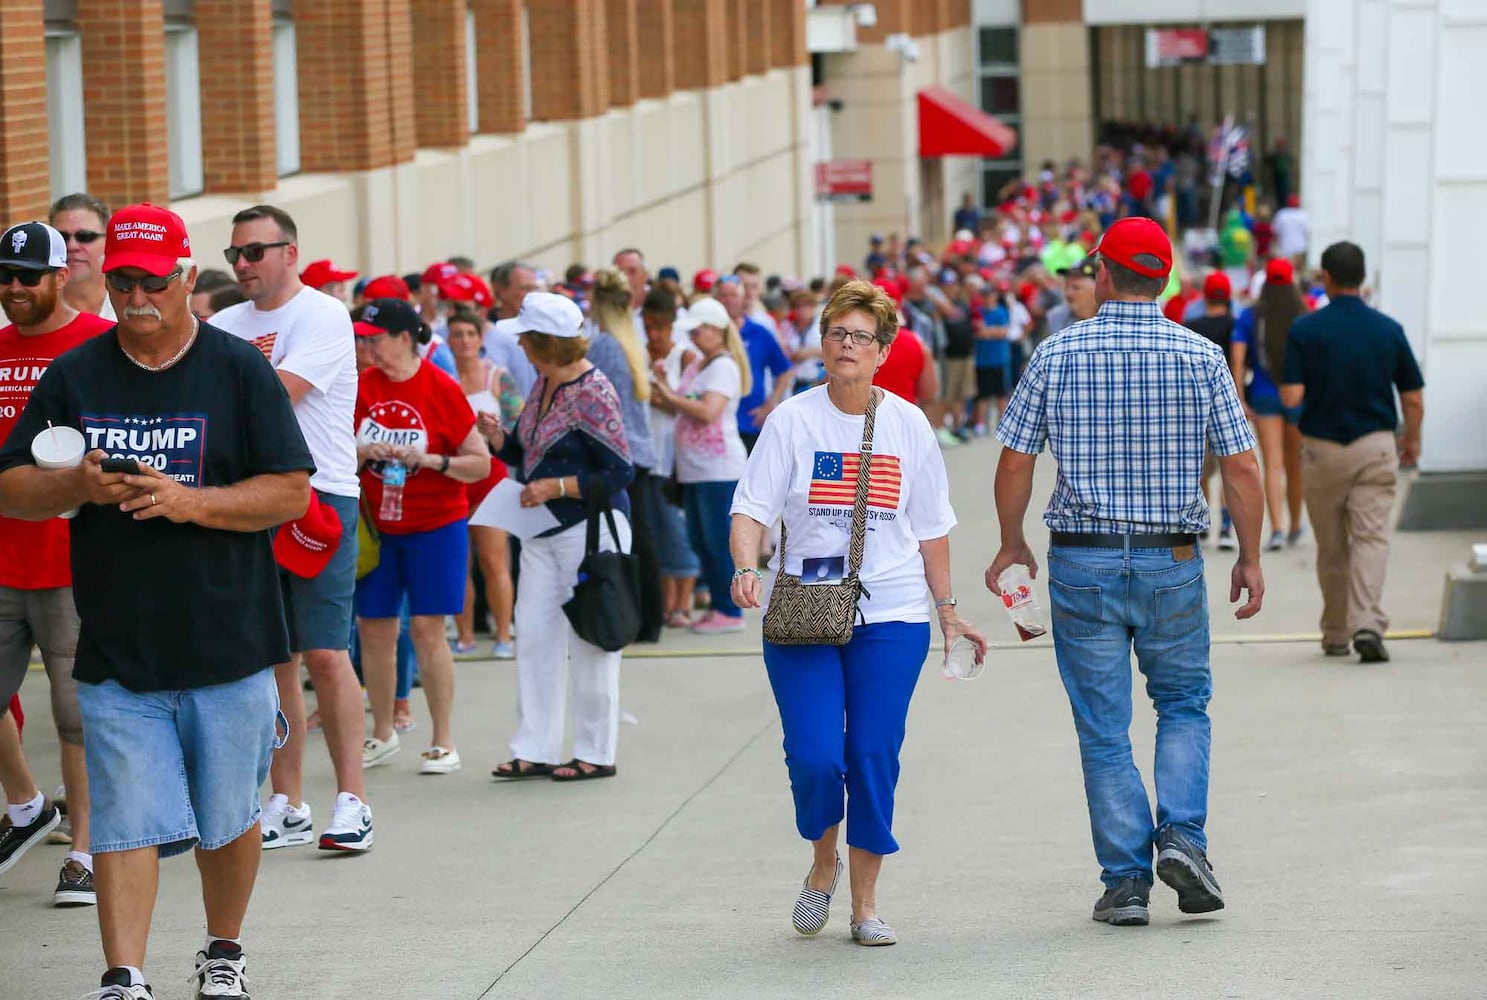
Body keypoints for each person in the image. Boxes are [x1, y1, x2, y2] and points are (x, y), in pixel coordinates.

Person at [0, 202, 315, 1000]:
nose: (136, 296)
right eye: (121, 280)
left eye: (151, 280)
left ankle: (223, 951)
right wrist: (75, 482)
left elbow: (287, 492)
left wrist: (190, 502)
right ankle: (124, 975)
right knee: (125, 818)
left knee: (229, 818)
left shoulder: (238, 369)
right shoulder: (76, 374)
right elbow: (12, 487)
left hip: (229, 637)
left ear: (181, 277)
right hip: (117, 643)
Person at [986, 217, 1265, 928]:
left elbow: (1015, 460)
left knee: (1102, 726)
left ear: (1104, 274)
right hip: (1171, 558)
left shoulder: (1056, 353)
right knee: (1181, 704)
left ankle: (1125, 883)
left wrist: (1010, 542)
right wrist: (1250, 555)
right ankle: (1183, 837)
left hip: (1081, 559)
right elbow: (1239, 467)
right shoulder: (1200, 356)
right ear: (1166, 278)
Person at [729, 279, 985, 948]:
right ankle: (822, 861)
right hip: (804, 608)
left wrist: (948, 611)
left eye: (860, 337)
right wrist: (746, 564)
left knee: (871, 752)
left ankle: (864, 904)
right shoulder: (792, 419)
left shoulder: (906, 424)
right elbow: (751, 506)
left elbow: (931, 527)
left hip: (891, 611)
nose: (846, 345)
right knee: (814, 755)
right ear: (821, 343)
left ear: (883, 350)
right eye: (836, 333)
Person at [212, 205, 374, 855]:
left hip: (319, 496)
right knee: (273, 656)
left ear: (289, 253)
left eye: (254, 252)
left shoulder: (322, 315)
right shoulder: (223, 323)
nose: (243, 265)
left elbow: (280, 392)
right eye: (234, 256)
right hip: (252, 501)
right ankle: (287, 800)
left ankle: (353, 800)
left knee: (326, 652)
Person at [0, 222, 113, 906]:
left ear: (62, 275)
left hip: (73, 562)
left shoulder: (97, 348)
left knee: (76, 716)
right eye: (5, 276)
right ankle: (27, 803)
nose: (13, 288)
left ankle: (86, 851)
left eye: (27, 276)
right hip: (2, 557)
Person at [484, 293, 634, 782]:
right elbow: (530, 449)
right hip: (541, 529)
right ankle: (536, 746)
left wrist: (557, 486)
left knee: (592, 639)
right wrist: (500, 440)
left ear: (546, 342)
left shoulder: (593, 390)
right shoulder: (545, 382)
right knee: (534, 635)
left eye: (527, 339)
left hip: (587, 531)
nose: (522, 347)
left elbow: (619, 471)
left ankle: (596, 750)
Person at [355, 298, 491, 775]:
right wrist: (362, 453)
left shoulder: (440, 385)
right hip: (377, 528)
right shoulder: (362, 387)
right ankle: (383, 731)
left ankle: (442, 739)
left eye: (375, 337)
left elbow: (480, 463)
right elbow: (331, 456)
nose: (367, 346)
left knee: (429, 629)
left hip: (436, 525)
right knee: (373, 628)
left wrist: (431, 460)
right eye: (364, 337)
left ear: (404, 337)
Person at [1280, 241, 1424, 664]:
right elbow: (1413, 399)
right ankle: (1367, 624)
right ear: (1363, 278)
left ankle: (1336, 631)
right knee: (1371, 538)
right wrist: (1411, 439)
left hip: (1323, 450)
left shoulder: (1305, 330)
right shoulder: (1388, 329)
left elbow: (1291, 394)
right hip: (1376, 446)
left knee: (1332, 547)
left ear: (1325, 277)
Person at [650, 297, 751, 635]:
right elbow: (682, 401)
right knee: (699, 539)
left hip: (718, 470)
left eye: (697, 331)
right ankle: (719, 605)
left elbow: (707, 411)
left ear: (714, 329)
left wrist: (669, 394)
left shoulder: (723, 366)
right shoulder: (701, 364)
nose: (693, 337)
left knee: (718, 539)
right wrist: (664, 386)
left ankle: (730, 610)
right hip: (695, 469)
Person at [585, 269, 663, 643]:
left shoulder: (604, 345)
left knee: (624, 538)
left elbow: (599, 404)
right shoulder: (631, 339)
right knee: (641, 537)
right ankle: (651, 617)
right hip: (641, 448)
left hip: (620, 451)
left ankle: (638, 616)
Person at [447, 308, 522, 659]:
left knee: (494, 560)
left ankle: (504, 634)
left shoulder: (497, 375)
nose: (463, 341)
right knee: (457, 561)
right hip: (454, 475)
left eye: (469, 334)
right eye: (456, 334)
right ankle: (464, 636)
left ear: (480, 339)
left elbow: (518, 426)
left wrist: (491, 431)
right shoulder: (443, 376)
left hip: (490, 475)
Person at [1231, 258, 1307, 552]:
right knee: (1295, 464)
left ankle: (1276, 528)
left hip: (1263, 394)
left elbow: (1238, 358)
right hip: (1298, 395)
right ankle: (1295, 524)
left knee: (1272, 464)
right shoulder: (1303, 316)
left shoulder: (1251, 316)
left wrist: (1240, 398)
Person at [641, 289, 701, 627]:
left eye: (659, 328)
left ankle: (684, 600)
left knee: (676, 528)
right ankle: (666, 600)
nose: (653, 335)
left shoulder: (685, 358)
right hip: (649, 456)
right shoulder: (641, 356)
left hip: (675, 455)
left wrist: (654, 392)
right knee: (655, 528)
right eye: (648, 327)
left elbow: (682, 404)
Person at [1187, 272, 1240, 548]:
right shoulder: (1235, 325)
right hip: (1225, 403)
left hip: (1196, 407)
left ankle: (1204, 524)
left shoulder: (1191, 325)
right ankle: (1226, 528)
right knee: (1228, 471)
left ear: (1205, 295)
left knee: (1201, 471)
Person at [716, 277, 792, 451]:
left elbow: (784, 370)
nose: (727, 300)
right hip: (718, 424)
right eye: (723, 295)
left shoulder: (759, 332)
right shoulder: (710, 334)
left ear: (743, 299)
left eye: (733, 295)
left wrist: (770, 404)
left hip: (751, 422)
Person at [49, 193, 114, 321]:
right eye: (62, 237)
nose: (72, 246)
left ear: (109, 241)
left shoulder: (130, 303)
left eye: (85, 236)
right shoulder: (31, 310)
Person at [485, 261, 540, 396]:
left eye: (535, 289)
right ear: (501, 291)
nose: (533, 295)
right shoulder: (482, 332)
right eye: (525, 289)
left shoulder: (543, 331)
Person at [1047, 257, 1098, 337]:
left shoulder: (1111, 318)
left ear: (1096, 290)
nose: (1068, 294)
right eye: (1066, 287)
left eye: (1076, 288)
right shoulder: (1057, 317)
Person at [1272, 195, 1309, 270]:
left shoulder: (1281, 214)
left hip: (1285, 248)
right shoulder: (1303, 215)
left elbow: (1275, 232)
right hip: (1299, 248)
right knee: (1298, 271)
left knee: (1285, 271)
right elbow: (1307, 232)